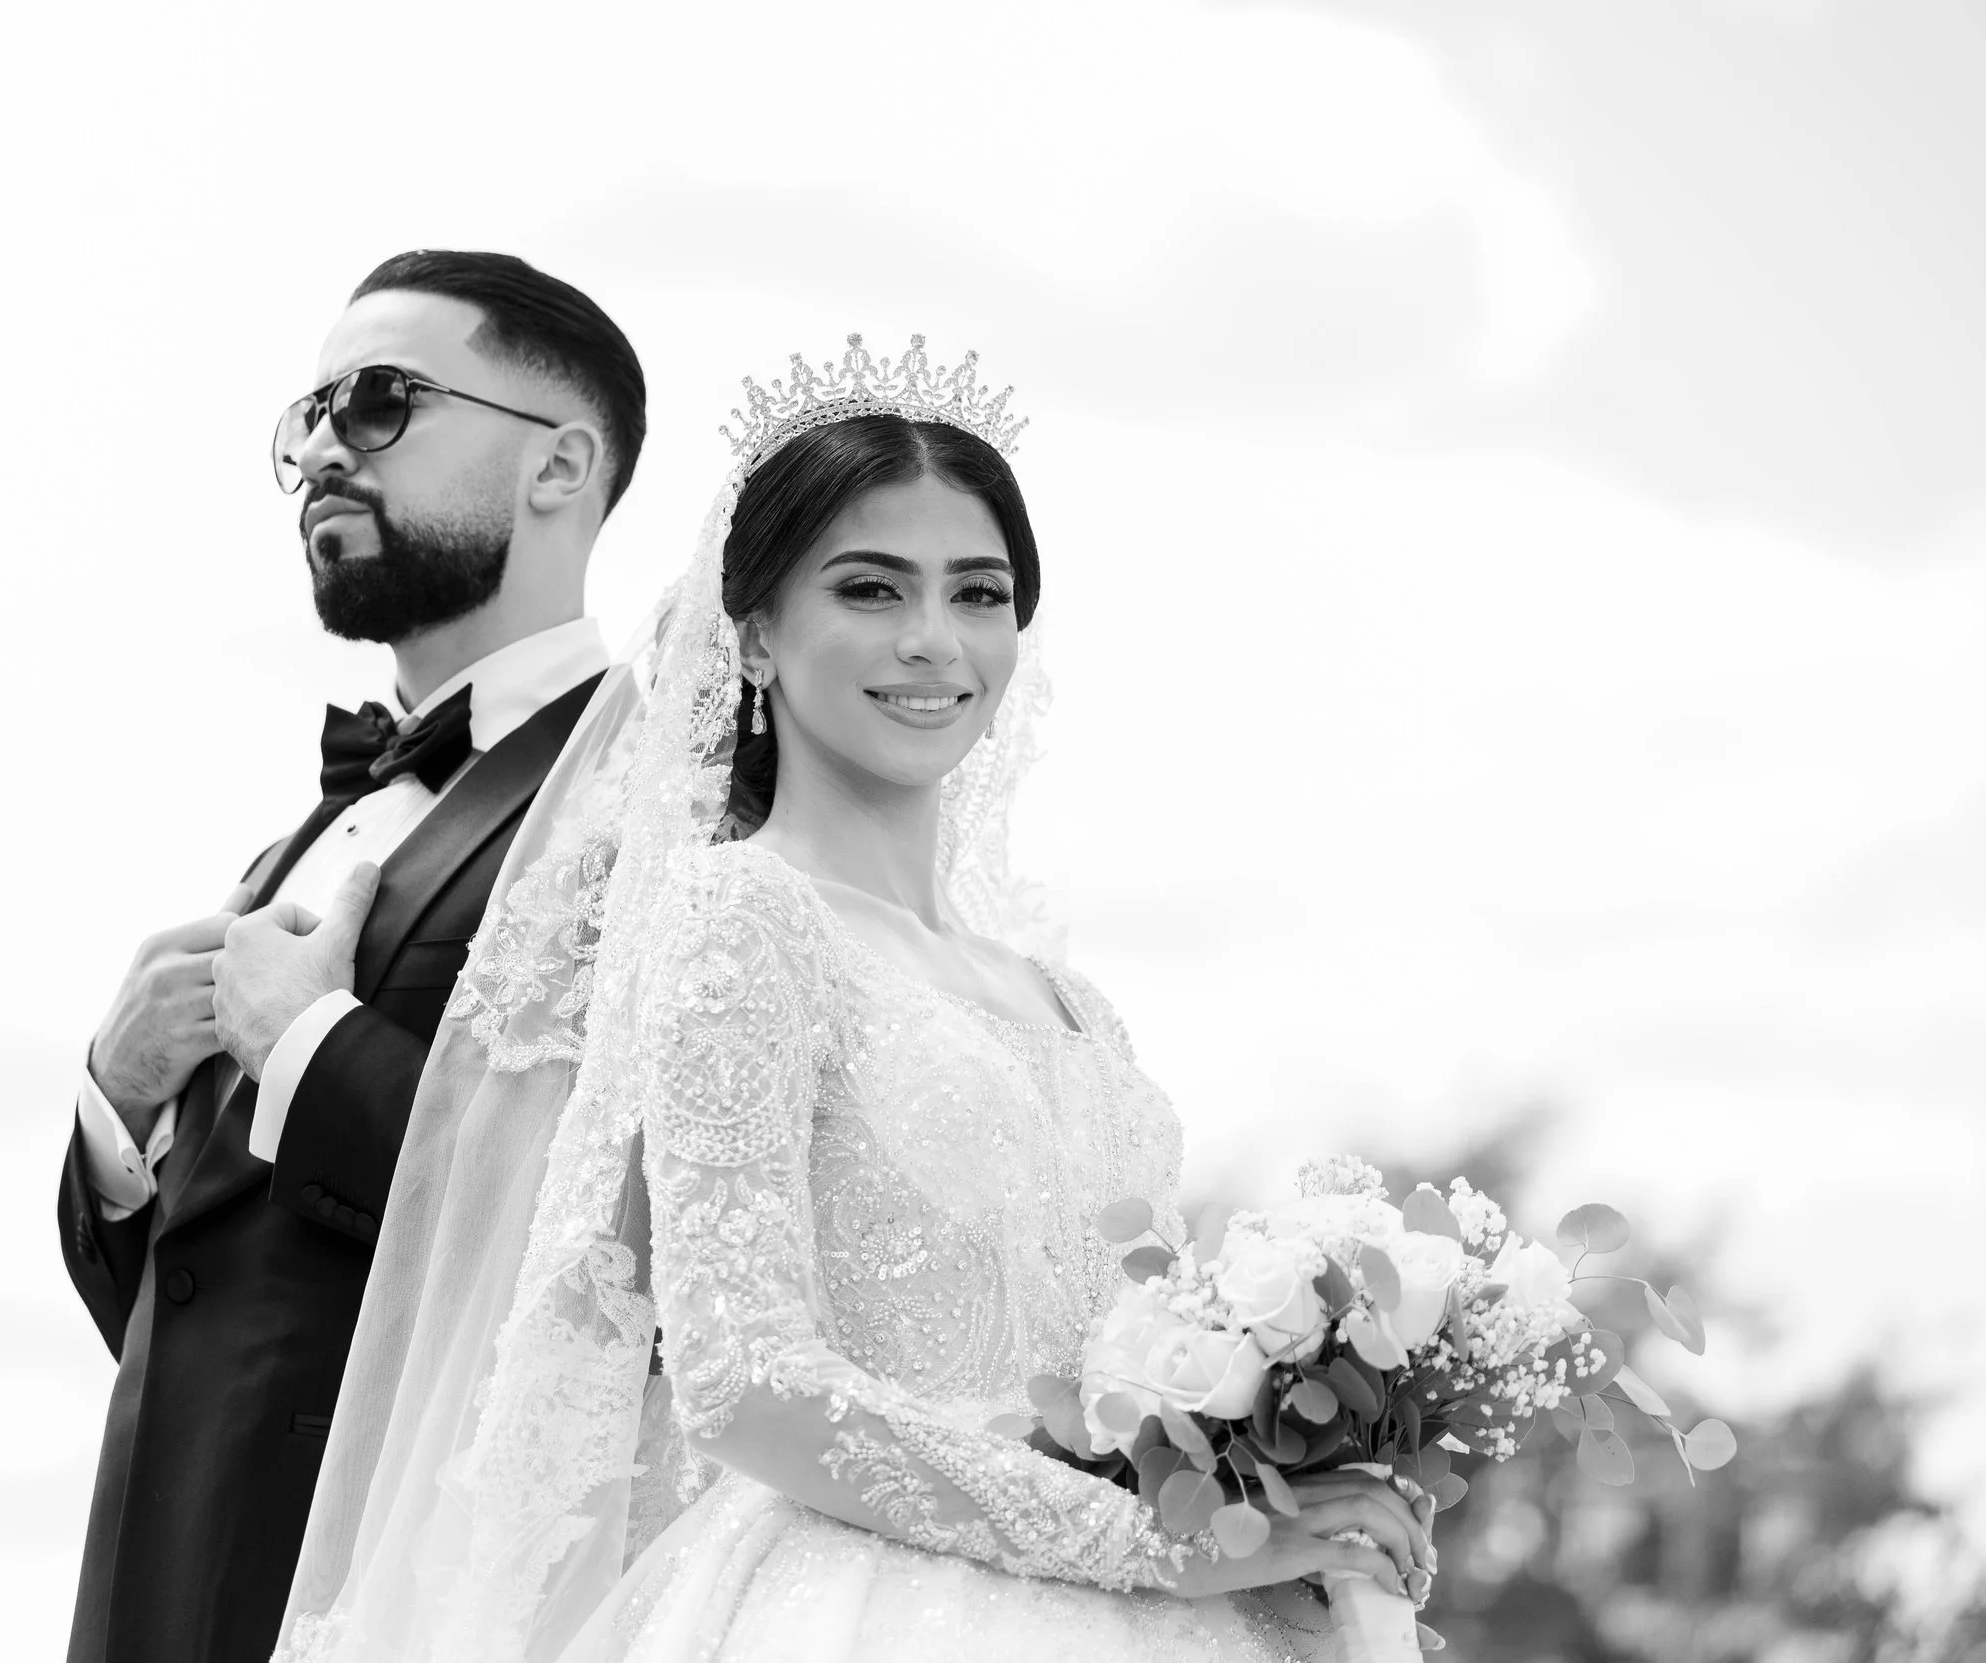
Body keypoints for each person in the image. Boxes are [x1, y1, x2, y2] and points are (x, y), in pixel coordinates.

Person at [275, 336, 1434, 1661]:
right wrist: (1149, 1546)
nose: (934, 641)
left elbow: (1119, 1372)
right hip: (854, 1607)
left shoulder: (1066, 1002)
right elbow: (743, 1381)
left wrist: (1289, 1486)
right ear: (756, 633)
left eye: (979, 592)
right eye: (873, 589)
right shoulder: (741, 920)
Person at [55, 249, 646, 1663]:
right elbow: (205, 1294)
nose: (322, 447)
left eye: (379, 402)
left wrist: (311, 1052)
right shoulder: (301, 837)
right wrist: (118, 1110)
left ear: (559, 465)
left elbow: (613, 1250)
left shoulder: (652, 799)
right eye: (304, 420)